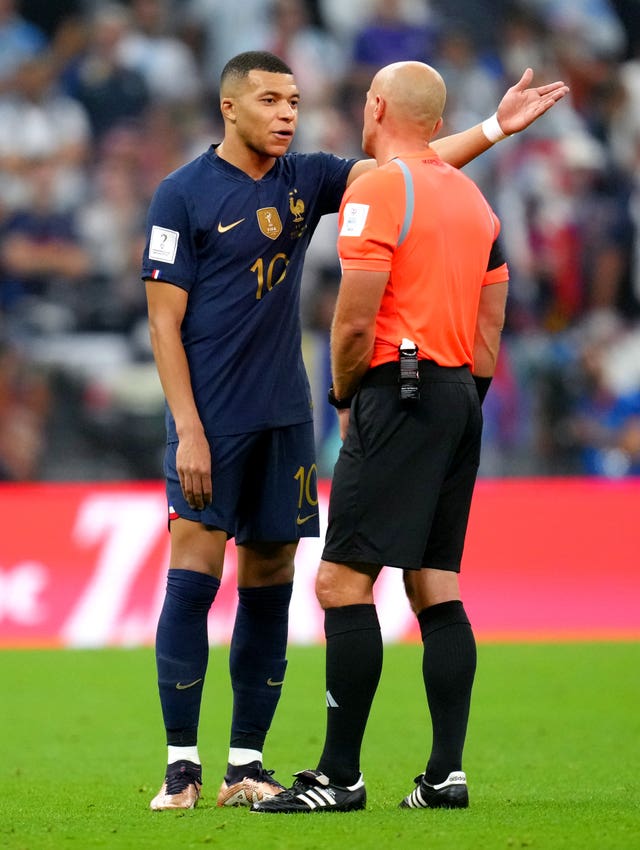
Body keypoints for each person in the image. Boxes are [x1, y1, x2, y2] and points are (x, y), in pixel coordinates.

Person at [141, 50, 568, 811]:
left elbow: (411, 162)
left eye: (295, 100)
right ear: (228, 107)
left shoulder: (305, 182)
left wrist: (494, 130)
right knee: (194, 579)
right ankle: (180, 767)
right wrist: (187, 427)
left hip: (285, 421)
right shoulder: (181, 195)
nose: (286, 113)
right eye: (270, 99)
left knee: (270, 583)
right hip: (209, 421)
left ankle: (245, 762)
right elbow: (163, 323)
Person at [251, 59, 509, 814]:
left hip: (398, 392)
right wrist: (464, 398)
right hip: (459, 392)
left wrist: (342, 395)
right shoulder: (473, 200)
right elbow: (491, 325)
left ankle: (339, 778)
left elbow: (356, 317)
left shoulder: (377, 190)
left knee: (340, 582)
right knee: (435, 583)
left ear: (376, 108)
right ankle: (445, 775)